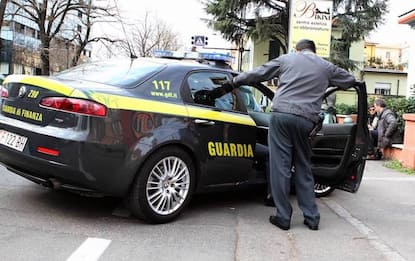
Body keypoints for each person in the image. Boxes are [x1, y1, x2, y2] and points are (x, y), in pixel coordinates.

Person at [211, 39, 356, 230]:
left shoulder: (287, 59)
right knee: (304, 167)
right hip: (306, 120)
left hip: (282, 116)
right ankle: (312, 217)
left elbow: (257, 73)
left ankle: (283, 216)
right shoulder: (326, 67)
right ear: (314, 50)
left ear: (298, 49)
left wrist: (231, 84)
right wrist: (325, 86)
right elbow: (350, 81)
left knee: (281, 166)